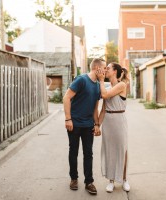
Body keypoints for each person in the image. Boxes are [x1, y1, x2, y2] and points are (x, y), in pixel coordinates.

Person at [63, 58, 106, 195]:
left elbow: (95, 108)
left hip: (88, 125)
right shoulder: (81, 80)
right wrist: (68, 119)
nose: (105, 71)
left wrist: (97, 124)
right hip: (74, 123)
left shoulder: (99, 86)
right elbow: (66, 97)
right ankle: (74, 179)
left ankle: (89, 182)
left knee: (88, 153)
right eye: (104, 68)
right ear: (97, 68)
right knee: (73, 151)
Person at [96, 63, 131, 193]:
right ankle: (111, 180)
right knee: (109, 150)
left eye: (108, 68)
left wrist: (100, 80)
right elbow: (103, 109)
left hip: (119, 120)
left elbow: (104, 96)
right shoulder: (107, 87)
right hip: (108, 122)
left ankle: (124, 179)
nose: (105, 70)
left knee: (122, 150)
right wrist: (97, 125)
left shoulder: (121, 85)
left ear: (115, 71)